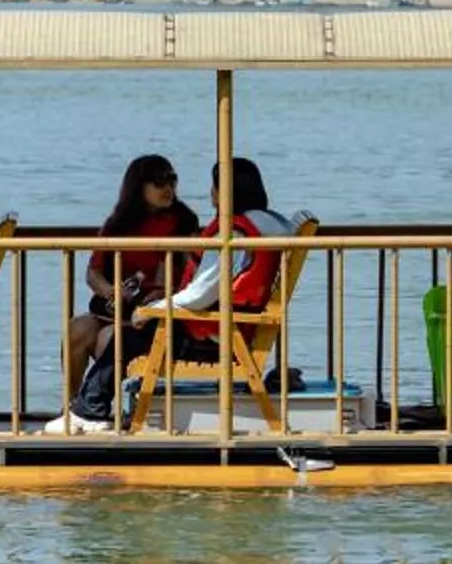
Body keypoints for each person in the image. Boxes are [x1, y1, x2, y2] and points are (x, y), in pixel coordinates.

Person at [47, 156, 305, 433]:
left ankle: (90, 411)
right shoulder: (270, 224)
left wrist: (158, 306)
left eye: (215, 188)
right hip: (230, 324)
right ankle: (85, 408)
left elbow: (202, 292)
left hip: (211, 331)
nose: (211, 195)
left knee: (124, 338)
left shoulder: (235, 232)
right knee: (104, 332)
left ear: (227, 192)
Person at [66, 154, 201, 386]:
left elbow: (196, 272)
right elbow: (93, 272)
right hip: (115, 309)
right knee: (76, 330)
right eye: (159, 182)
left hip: (156, 313)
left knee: (109, 339)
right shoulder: (118, 222)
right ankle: (71, 406)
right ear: (139, 186)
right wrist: (110, 291)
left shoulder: (184, 220)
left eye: (172, 181)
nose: (168, 188)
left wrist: (167, 292)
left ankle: (103, 409)